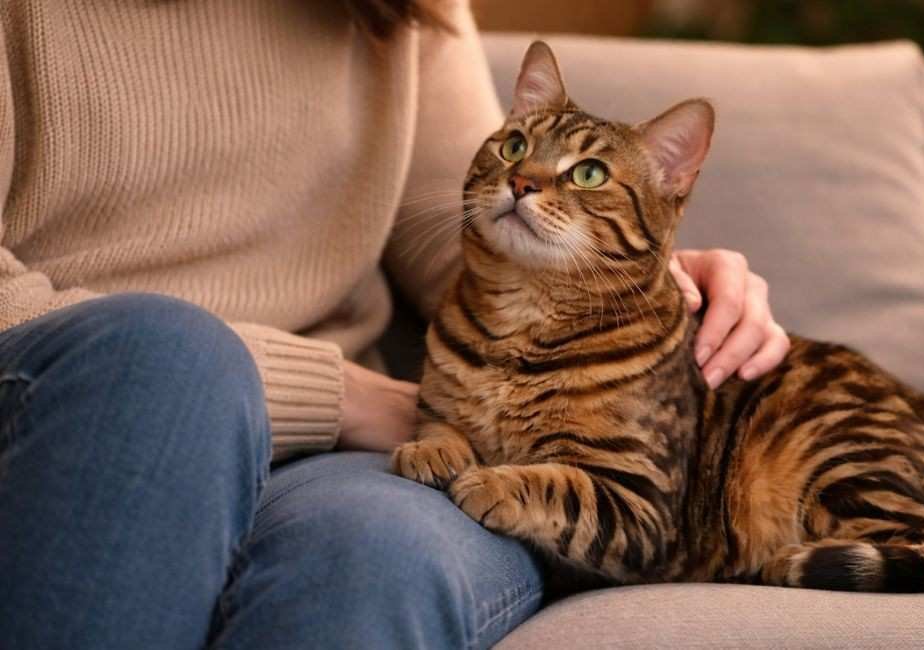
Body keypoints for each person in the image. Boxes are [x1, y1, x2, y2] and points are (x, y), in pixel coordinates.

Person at [0, 1, 790, 648]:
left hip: (331, 461)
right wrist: (332, 393)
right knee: (166, 364)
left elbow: (488, 228)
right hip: (90, 401)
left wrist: (640, 287)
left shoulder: (409, 7)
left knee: (376, 556)